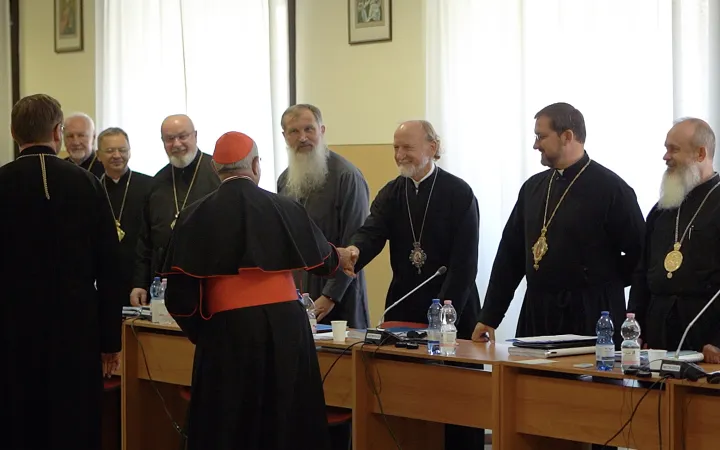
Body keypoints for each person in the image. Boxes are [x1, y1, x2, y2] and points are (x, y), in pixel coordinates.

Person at [162, 131, 353, 450]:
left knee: (231, 424)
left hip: (227, 332)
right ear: (255, 165)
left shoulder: (194, 216)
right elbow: (322, 258)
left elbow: (179, 300)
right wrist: (342, 256)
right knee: (287, 419)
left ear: (215, 169)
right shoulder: (284, 207)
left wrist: (205, 333)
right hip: (286, 330)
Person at [344, 119, 483, 450]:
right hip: (405, 305)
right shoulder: (392, 193)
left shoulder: (458, 192)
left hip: (453, 308)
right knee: (406, 399)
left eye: (407, 147)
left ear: (432, 148)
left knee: (456, 402)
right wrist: (353, 251)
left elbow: (465, 263)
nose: (399, 155)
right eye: (395, 148)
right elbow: (371, 232)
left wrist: (445, 313)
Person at [0, 94, 124, 449]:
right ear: (58, 132)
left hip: (12, 330)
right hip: (75, 329)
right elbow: (110, 268)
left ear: (13, 132)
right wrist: (110, 340)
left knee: (18, 420)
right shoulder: (87, 184)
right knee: (73, 422)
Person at [471, 102, 645, 349]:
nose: (535, 145)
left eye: (541, 136)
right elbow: (510, 256)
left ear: (567, 136)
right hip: (538, 311)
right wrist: (489, 317)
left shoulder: (612, 189)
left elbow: (641, 254)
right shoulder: (532, 188)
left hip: (593, 314)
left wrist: (603, 279)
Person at [629, 117, 720, 364]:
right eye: (666, 148)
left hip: (707, 337)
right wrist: (634, 329)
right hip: (657, 335)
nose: (665, 157)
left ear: (701, 153)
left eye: (674, 149)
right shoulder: (662, 208)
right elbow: (641, 273)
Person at [278, 104, 370, 329]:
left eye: (309, 129)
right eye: (294, 131)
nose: (303, 138)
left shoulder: (347, 177)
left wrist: (330, 297)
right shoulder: (284, 181)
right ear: (284, 136)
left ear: (322, 130)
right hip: (297, 296)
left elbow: (354, 247)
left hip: (340, 297)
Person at [130, 114, 220, 306]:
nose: (177, 144)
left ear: (195, 135)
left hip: (210, 280)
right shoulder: (156, 182)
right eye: (170, 139)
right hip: (165, 283)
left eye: (183, 136)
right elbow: (145, 240)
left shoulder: (218, 173)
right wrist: (139, 284)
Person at [96, 127, 155, 305]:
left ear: (130, 152)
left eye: (122, 150)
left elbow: (149, 239)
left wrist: (141, 282)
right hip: (103, 278)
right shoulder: (92, 187)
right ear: (98, 155)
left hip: (138, 279)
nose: (117, 155)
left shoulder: (149, 186)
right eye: (110, 150)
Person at [63, 111, 105, 178]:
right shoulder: (59, 168)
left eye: (81, 135)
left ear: (93, 137)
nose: (75, 142)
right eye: (70, 136)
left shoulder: (106, 167)